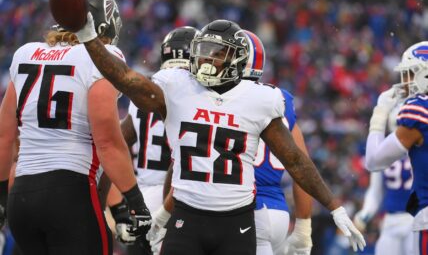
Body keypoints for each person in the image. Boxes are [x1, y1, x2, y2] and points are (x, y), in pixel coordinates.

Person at [72, 15, 365, 254]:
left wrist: (334, 206)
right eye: (204, 52)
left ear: (237, 61)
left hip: (237, 224)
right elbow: (124, 78)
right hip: (187, 217)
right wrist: (88, 38)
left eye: (218, 55)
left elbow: (295, 160)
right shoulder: (177, 87)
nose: (207, 61)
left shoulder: (257, 99)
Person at [0, 0, 151, 255]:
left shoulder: (25, 53)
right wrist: (135, 202)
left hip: (21, 199)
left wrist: (1, 198)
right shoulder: (101, 59)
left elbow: (4, 135)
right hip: (70, 194)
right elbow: (107, 142)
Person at [107, 26, 200, 255]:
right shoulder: (199, 91)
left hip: (143, 199)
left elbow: (119, 141)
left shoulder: (146, 85)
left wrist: (118, 203)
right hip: (177, 197)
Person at [242, 30, 313, 255]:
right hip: (278, 213)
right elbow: (302, 167)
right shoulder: (280, 99)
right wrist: (303, 226)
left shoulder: (226, 101)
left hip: (244, 210)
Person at [365, 41, 428, 254]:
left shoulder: (418, 110)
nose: (406, 81)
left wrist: (379, 115)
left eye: (411, 73)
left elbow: (373, 161)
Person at [354, 103, 413, 255]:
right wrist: (366, 213)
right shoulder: (384, 151)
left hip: (416, 219)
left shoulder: (421, 149)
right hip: (390, 220)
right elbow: (375, 191)